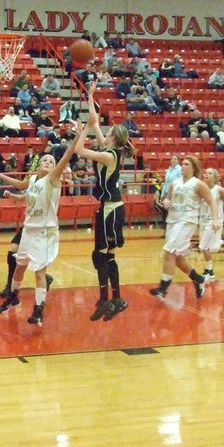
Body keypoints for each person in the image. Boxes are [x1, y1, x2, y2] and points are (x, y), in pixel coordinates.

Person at [0, 125, 83, 326]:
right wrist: (11, 196)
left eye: (52, 161)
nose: (49, 162)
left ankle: (39, 309)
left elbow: (66, 156)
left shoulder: (53, 179)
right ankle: (13, 297)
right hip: (29, 229)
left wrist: (76, 139)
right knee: (19, 267)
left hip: (45, 232)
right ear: (39, 164)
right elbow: (26, 198)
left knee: (40, 272)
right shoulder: (34, 179)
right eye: (45, 160)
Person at [70, 83, 131, 321]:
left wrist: (82, 130)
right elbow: (96, 122)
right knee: (107, 256)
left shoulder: (108, 155)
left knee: (101, 256)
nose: (103, 134)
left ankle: (106, 300)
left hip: (111, 210)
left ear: (114, 138)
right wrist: (91, 97)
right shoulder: (110, 151)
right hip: (112, 209)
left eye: (108, 133)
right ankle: (116, 299)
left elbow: (79, 150)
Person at [149, 156, 220, 300]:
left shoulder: (198, 184)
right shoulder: (174, 183)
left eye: (186, 164)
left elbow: (212, 201)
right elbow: (166, 199)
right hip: (173, 221)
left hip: (187, 221)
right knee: (177, 257)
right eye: (182, 164)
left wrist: (215, 219)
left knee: (169, 252)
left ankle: (163, 288)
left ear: (193, 168)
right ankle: (198, 279)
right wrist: (166, 202)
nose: (182, 166)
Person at [199, 168, 224, 281]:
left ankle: (209, 271)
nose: (206, 175)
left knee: (204, 246)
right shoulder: (200, 188)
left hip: (215, 220)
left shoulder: (219, 190)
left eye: (209, 173)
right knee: (212, 248)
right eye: (205, 173)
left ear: (215, 177)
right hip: (203, 220)